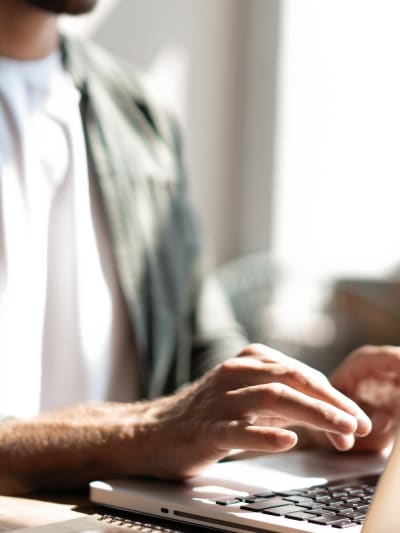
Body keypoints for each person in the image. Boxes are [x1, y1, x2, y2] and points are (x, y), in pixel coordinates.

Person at [0, 0, 399, 495]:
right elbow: (169, 422)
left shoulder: (135, 113)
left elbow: (202, 354)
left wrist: (312, 419)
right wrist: (145, 429)